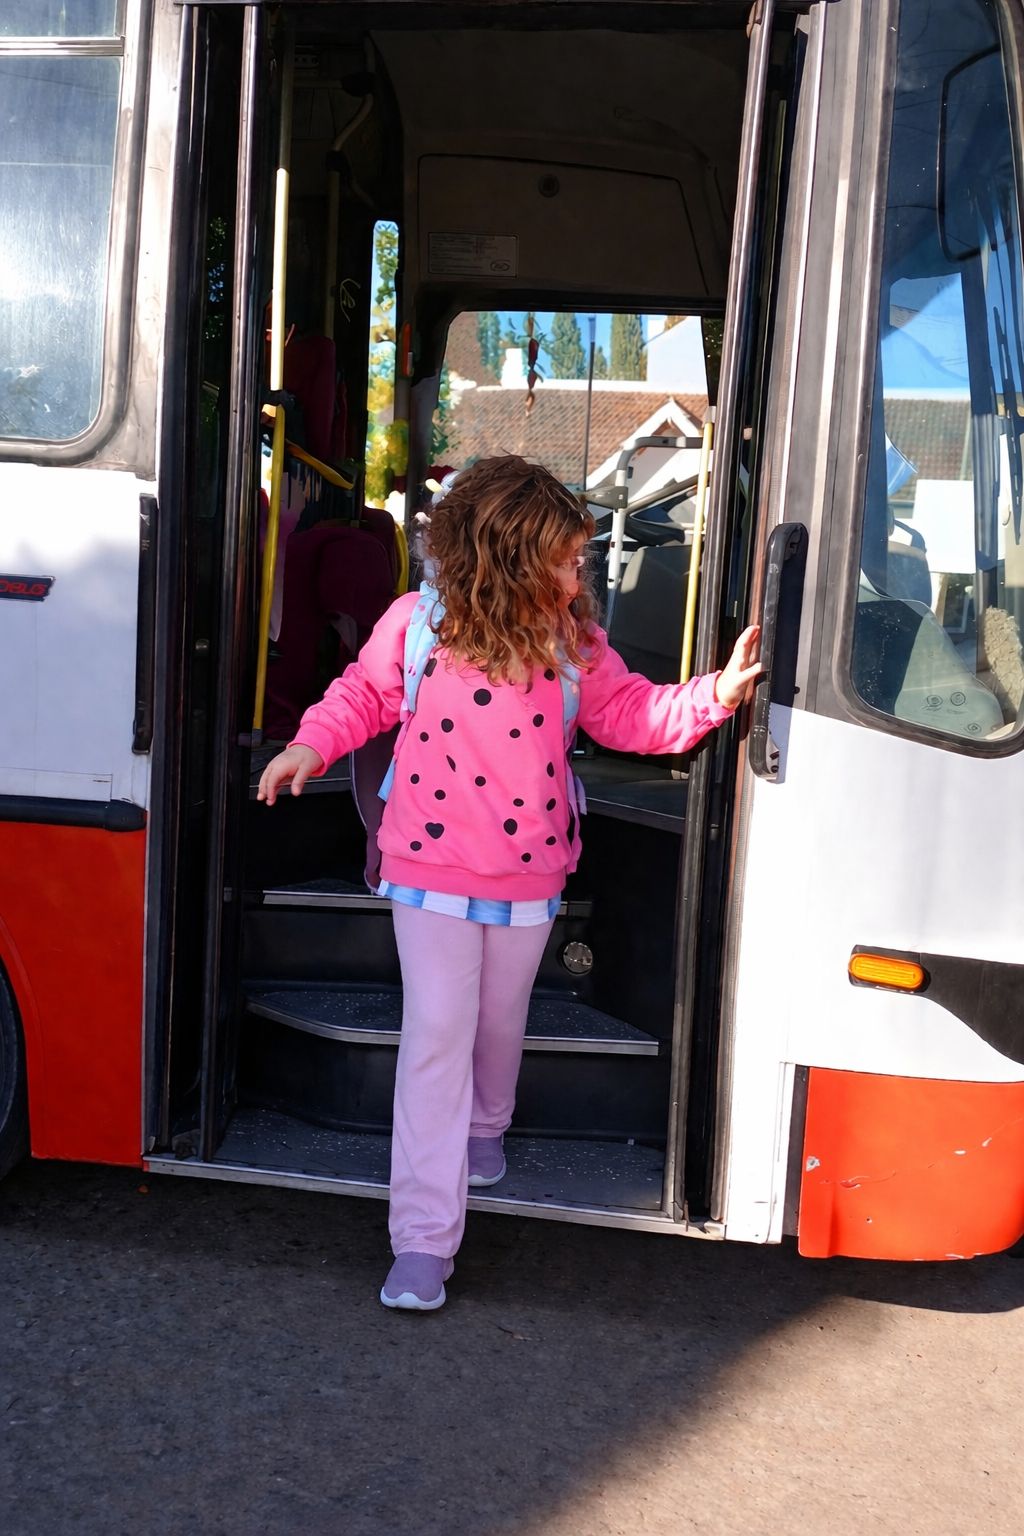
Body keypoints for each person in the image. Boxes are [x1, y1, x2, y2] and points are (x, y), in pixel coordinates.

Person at [257, 455, 761, 1311]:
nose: (579, 576)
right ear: (511, 560)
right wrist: (311, 743)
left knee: (498, 1023)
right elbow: (360, 697)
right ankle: (421, 1241)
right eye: (566, 561)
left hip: (530, 879)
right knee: (436, 1040)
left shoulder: (575, 647)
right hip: (427, 872)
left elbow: (635, 716)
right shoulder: (416, 627)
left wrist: (716, 693)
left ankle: (487, 1127)